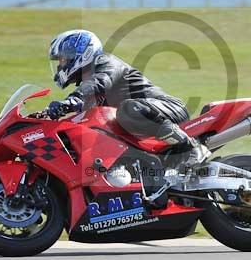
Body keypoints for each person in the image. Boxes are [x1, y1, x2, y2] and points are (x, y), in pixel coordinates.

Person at [44, 29, 210, 167]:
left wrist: (73, 99)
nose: (60, 65)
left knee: (128, 109)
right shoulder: (91, 95)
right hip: (146, 124)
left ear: (81, 52)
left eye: (63, 59)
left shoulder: (105, 62)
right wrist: (46, 117)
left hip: (169, 109)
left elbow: (101, 80)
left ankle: (191, 148)